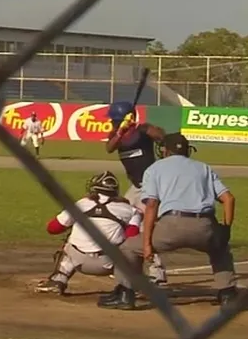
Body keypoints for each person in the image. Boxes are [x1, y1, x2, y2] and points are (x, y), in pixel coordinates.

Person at [98, 132, 239, 311]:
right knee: (220, 247)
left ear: (165, 150)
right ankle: (228, 294)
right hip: (204, 226)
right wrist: (226, 228)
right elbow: (228, 199)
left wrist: (148, 243)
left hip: (172, 225)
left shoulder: (155, 169)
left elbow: (151, 206)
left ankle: (125, 293)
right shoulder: (203, 167)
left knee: (129, 247)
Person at [35, 171, 138, 295]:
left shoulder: (80, 204)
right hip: (110, 263)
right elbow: (132, 236)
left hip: (79, 261)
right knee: (132, 247)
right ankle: (129, 287)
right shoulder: (130, 210)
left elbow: (53, 228)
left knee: (69, 239)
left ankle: (58, 280)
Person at [105, 101, 169, 287]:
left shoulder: (143, 130)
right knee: (122, 217)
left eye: (114, 120)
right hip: (135, 187)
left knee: (144, 228)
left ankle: (157, 272)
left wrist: (134, 126)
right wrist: (121, 131)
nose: (112, 123)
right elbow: (109, 147)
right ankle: (128, 265)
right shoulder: (117, 135)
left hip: (150, 187)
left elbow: (160, 135)